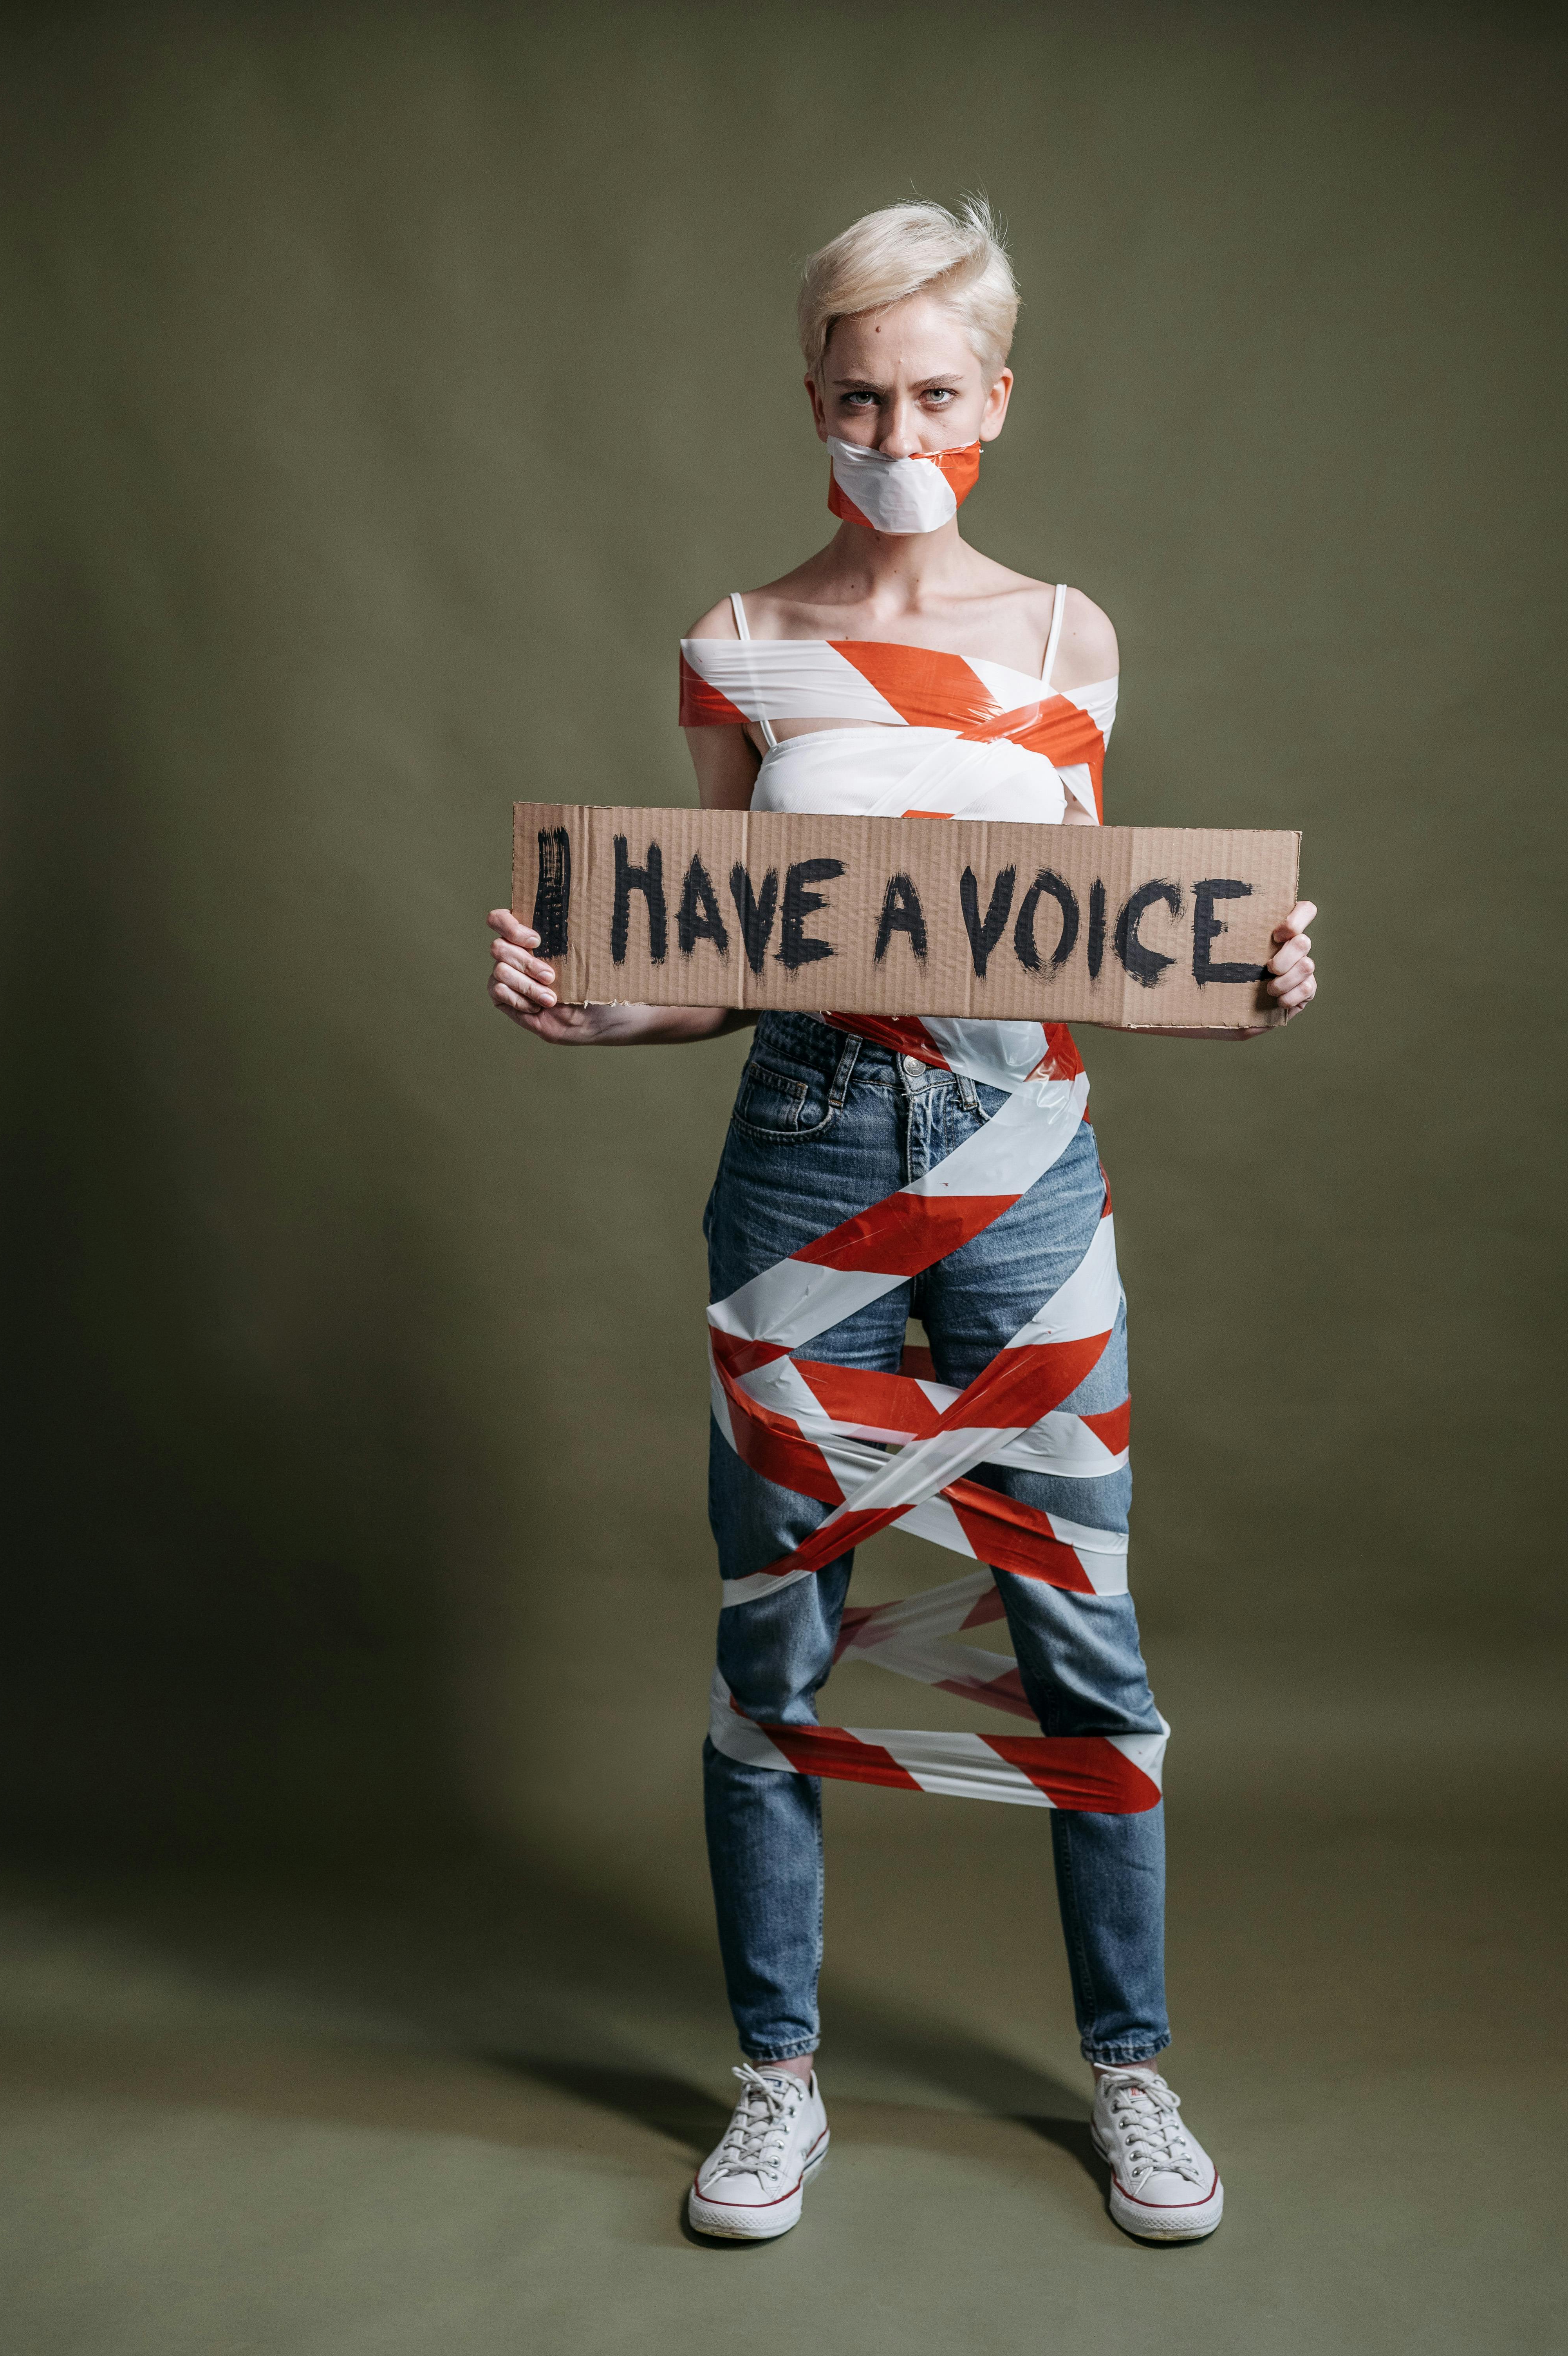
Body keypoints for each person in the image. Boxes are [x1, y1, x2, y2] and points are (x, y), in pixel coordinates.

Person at [487, 197, 1317, 2247]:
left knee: (1077, 1629)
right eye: (856, 393)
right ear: (810, 399)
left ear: (995, 401)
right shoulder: (739, 645)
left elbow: (1097, 935)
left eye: (932, 392)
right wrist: (603, 1013)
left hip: (1029, 1167)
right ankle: (775, 2084)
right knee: (783, 1624)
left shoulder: (1067, 640)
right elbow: (730, 956)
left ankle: (1130, 2072)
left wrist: (1251, 973)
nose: (893, 426)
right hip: (806, 1157)